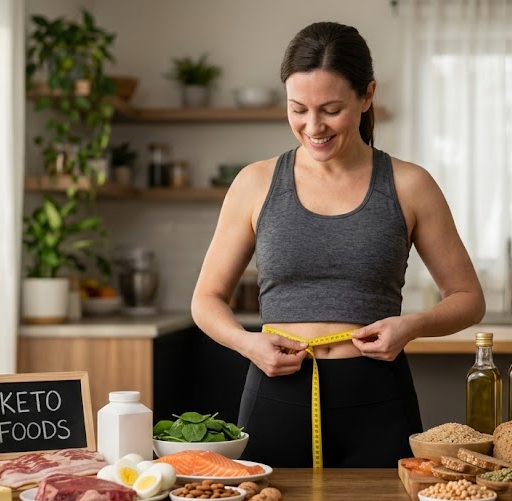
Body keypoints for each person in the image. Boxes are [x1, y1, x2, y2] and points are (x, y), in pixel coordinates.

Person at [191, 21, 485, 468]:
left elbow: (469, 299)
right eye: (298, 109)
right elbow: (206, 299)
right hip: (275, 396)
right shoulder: (255, 183)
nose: (313, 127)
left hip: (379, 402)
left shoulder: (409, 185)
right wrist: (248, 344)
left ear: (367, 96)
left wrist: (411, 326)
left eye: (330, 109)